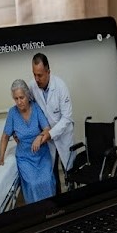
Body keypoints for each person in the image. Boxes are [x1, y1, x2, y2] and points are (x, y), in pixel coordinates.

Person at [0, 79, 56, 203]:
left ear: (27, 95)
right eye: (16, 99)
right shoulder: (12, 113)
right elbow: (5, 136)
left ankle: (51, 209)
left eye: (22, 97)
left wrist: (39, 136)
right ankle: (36, 213)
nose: (19, 102)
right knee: (33, 183)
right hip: (25, 157)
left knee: (46, 180)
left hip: (41, 154)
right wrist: (1, 158)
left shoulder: (36, 108)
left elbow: (47, 128)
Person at [29, 53, 74, 192]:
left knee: (69, 170)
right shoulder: (32, 87)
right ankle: (58, 201)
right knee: (52, 172)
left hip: (63, 134)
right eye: (34, 74)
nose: (37, 79)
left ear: (48, 71)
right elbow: (29, 108)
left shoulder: (60, 87)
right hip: (47, 138)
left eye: (40, 75)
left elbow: (66, 117)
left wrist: (49, 134)